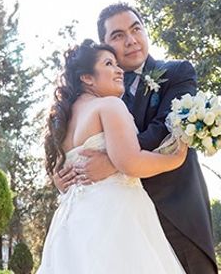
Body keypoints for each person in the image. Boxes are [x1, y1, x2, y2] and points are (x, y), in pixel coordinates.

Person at [55, 3, 218, 274]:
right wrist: (63, 174)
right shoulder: (99, 98)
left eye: (135, 29)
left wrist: (116, 161)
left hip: (176, 212)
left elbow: (164, 130)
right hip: (115, 221)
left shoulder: (177, 73)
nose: (130, 40)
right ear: (104, 45)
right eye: (118, 35)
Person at [37, 39, 188, 274]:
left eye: (117, 64)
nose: (119, 70)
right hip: (116, 214)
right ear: (87, 77)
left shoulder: (63, 122)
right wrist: (175, 159)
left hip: (72, 225)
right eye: (109, 64)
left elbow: (61, 178)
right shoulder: (109, 106)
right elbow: (130, 162)